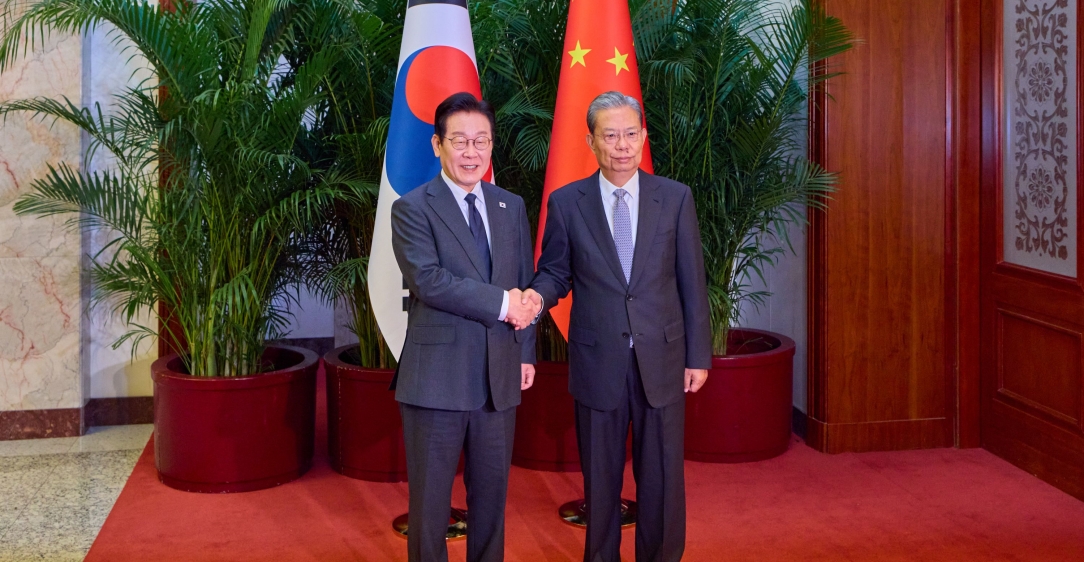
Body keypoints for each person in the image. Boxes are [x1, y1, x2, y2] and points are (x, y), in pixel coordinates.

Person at [525, 91, 712, 562]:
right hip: (597, 361)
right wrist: (535, 297)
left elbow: (692, 281)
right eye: (610, 135)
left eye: (630, 134)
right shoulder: (567, 203)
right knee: (600, 483)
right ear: (591, 141)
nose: (622, 145)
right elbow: (555, 272)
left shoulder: (675, 198)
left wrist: (698, 356)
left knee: (662, 481)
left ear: (644, 137)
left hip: (663, 360)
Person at [390, 92, 541, 562]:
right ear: (438, 145)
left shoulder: (510, 206)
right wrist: (503, 304)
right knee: (430, 509)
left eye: (481, 141)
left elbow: (523, 283)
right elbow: (429, 281)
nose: (471, 152)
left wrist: (525, 352)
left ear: (492, 145)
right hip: (436, 380)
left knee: (491, 503)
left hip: (499, 375)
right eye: (460, 141)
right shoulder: (412, 207)